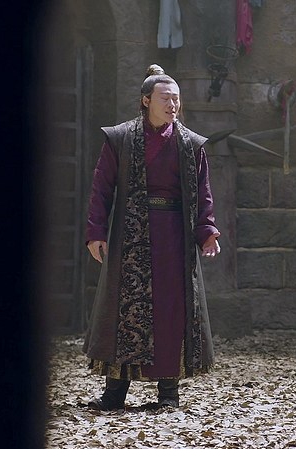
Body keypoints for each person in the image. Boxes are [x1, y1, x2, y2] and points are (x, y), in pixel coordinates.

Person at [82, 64, 221, 411]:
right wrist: (96, 232)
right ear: (146, 101)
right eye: (165, 99)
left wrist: (206, 231)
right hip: (129, 235)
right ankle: (114, 394)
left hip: (174, 236)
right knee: (123, 308)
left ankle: (168, 393)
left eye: (176, 99)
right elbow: (102, 188)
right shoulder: (121, 138)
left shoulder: (190, 144)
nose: (173, 105)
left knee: (172, 309)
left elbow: (203, 193)